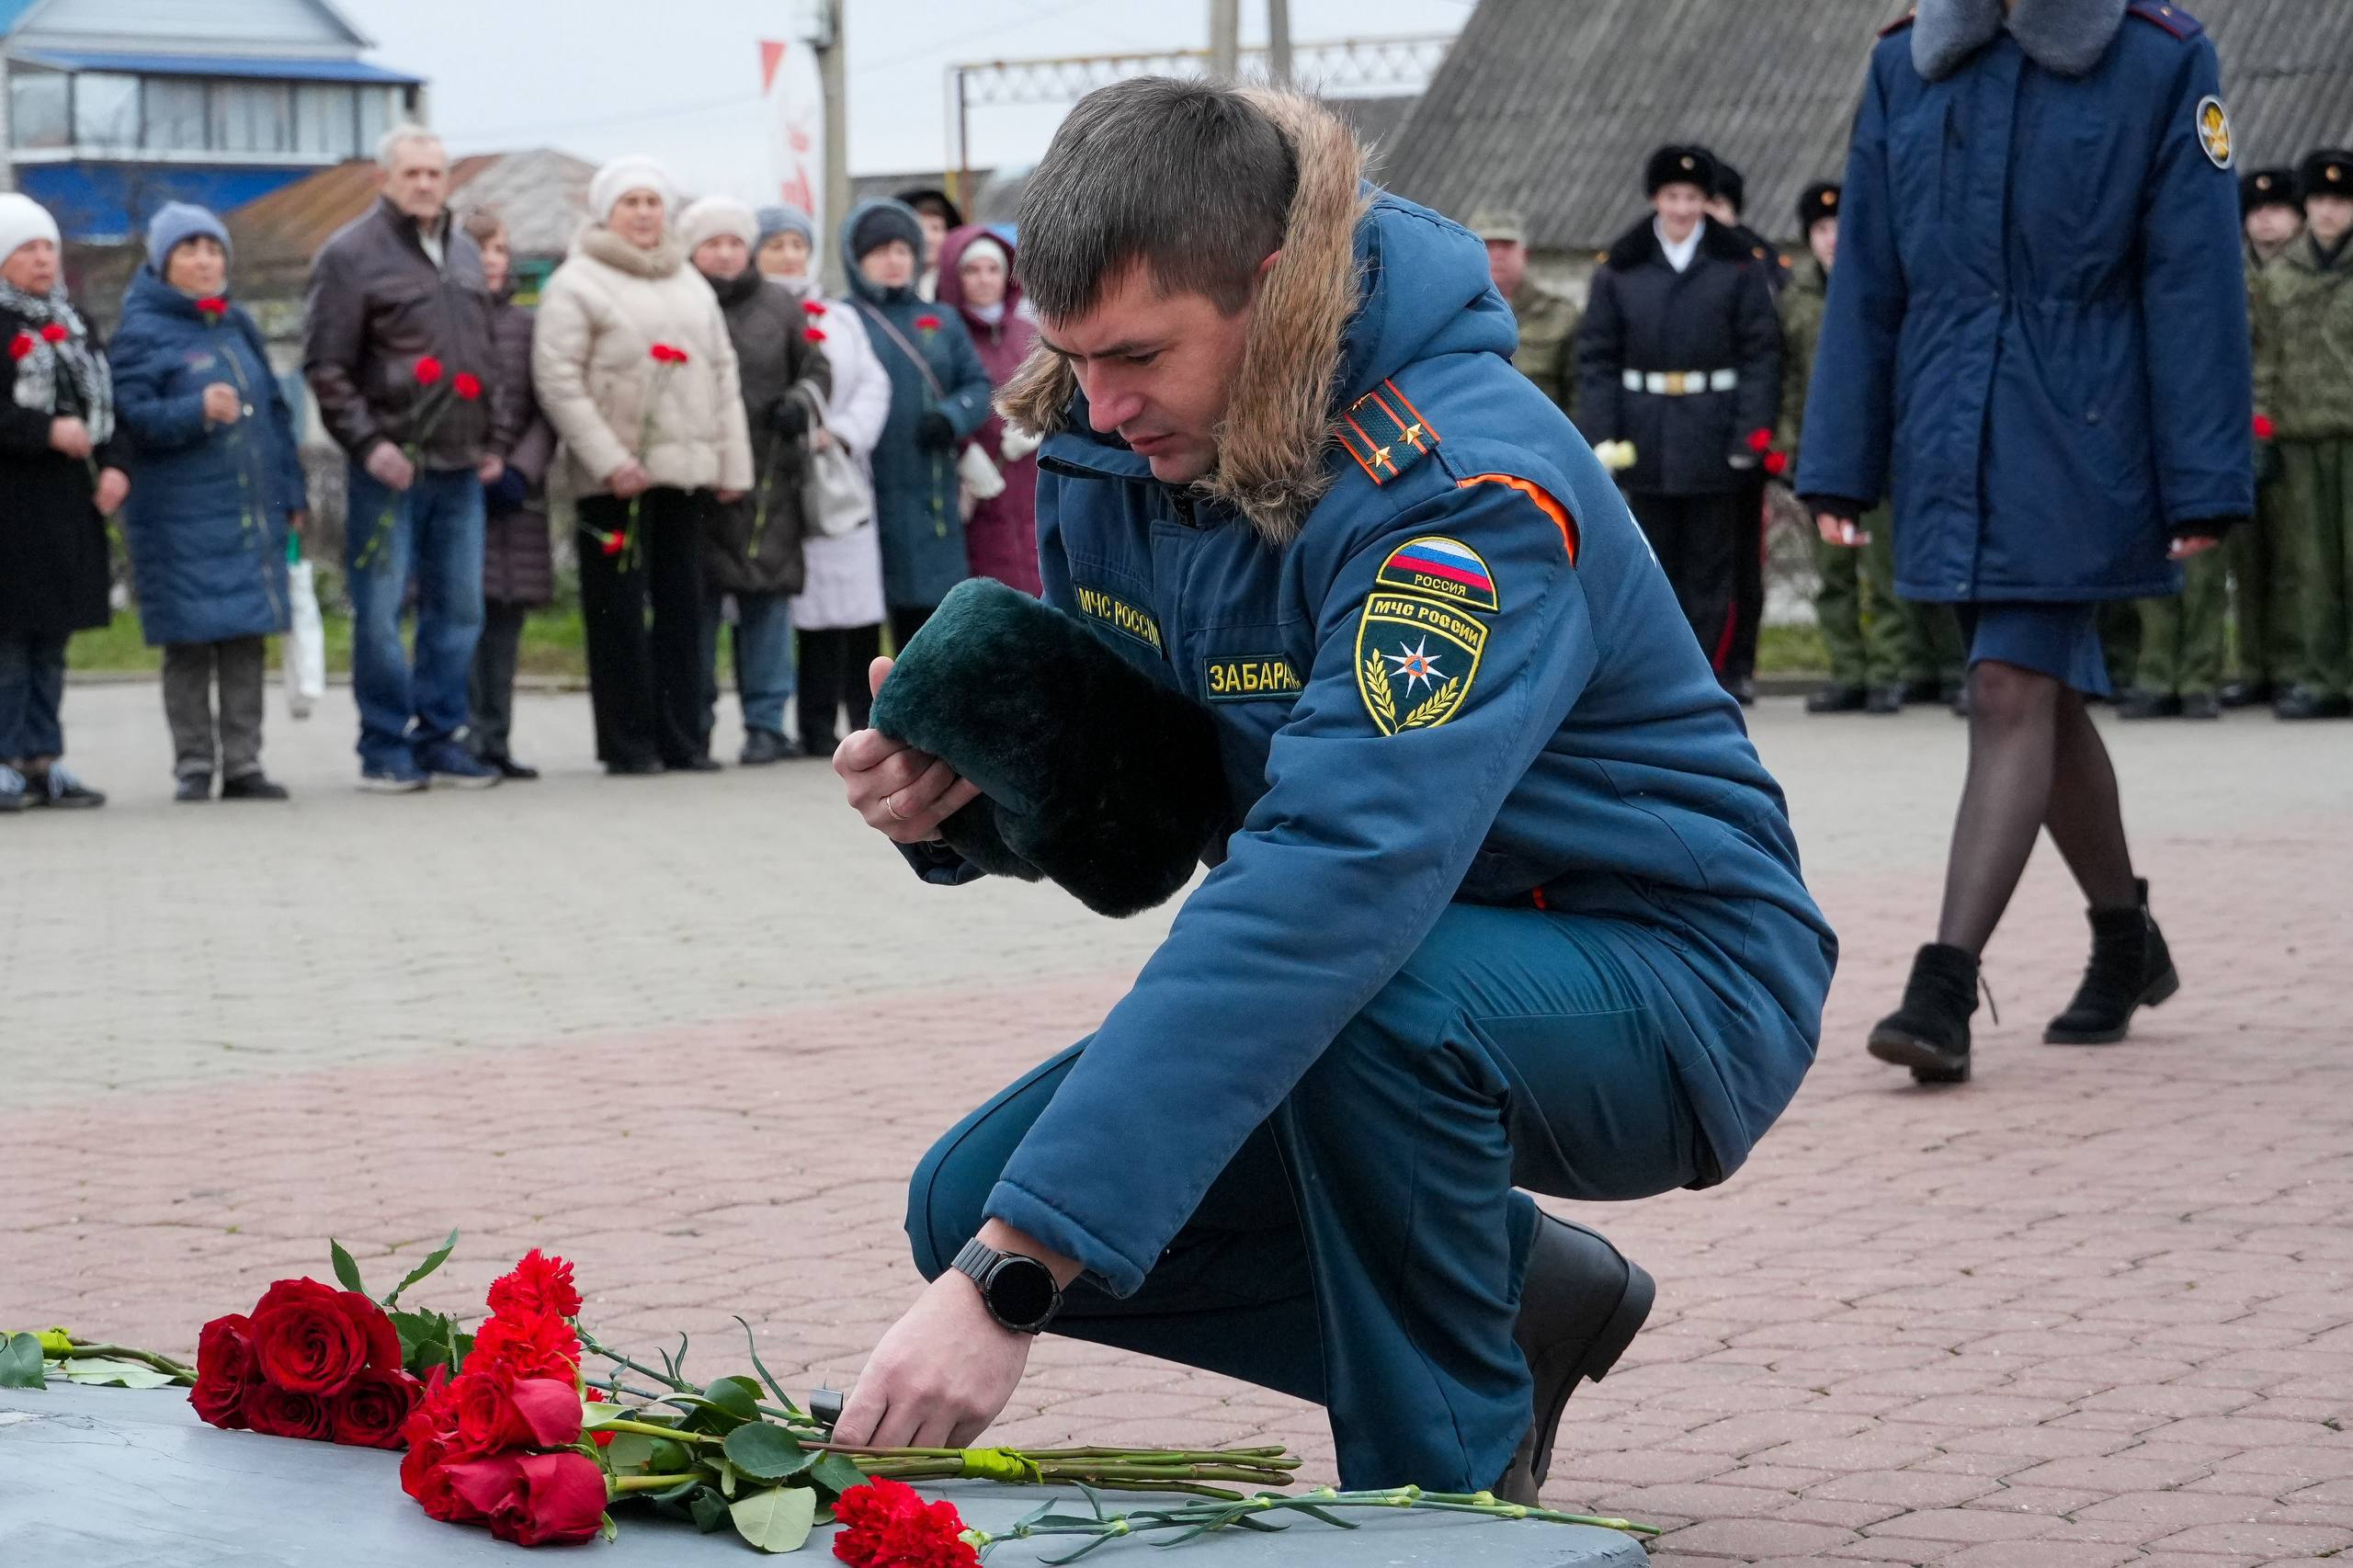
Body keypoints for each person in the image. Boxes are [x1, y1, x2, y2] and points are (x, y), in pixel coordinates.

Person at [829, 79, 1833, 1505]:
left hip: (1671, 972)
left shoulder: (1461, 486)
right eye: (1072, 357)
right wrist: (968, 796)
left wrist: (1018, 1279)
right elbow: (1173, 807)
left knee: (1339, 1032)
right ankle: (1517, 1304)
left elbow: (1330, 878)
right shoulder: (1120, 444)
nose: (1098, 407)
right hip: (1395, 964)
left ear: (1274, 286)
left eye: (1137, 355)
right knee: (962, 1198)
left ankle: (1442, 1509)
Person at [1802, 0, 2251, 1083]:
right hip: (1944, 430)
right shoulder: (1907, 61)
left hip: (2086, 430)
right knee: (2034, 691)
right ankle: (2125, 941)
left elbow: (2193, 279)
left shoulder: (2159, 55)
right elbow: (1866, 273)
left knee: (2006, 685)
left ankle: (1942, 986)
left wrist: (2202, 480)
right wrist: (1840, 459)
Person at [535, 156, 754, 775]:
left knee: (685, 610)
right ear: (606, 213)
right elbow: (557, 379)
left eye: (652, 202)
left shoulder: (689, 282)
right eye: (630, 202)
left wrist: (732, 466)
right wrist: (609, 461)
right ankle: (628, 745)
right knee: (618, 613)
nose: (643, 213)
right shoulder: (576, 282)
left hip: (685, 477)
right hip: (615, 484)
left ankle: (685, 740)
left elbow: (721, 374)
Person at [304, 125, 502, 792]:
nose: (425, 183)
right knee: (382, 612)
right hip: (387, 468)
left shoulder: (465, 252)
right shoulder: (350, 253)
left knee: (460, 610)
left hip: (460, 465)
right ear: (384, 178)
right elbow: (326, 366)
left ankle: (440, 738)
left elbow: (486, 354)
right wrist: (370, 444)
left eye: (435, 172)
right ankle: (383, 744)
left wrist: (493, 439)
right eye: (412, 172)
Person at [112, 202, 305, 802]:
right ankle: (194, 764)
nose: (205, 261)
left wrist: (291, 492)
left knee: (247, 638)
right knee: (191, 642)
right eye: (191, 250)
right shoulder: (140, 330)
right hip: (177, 517)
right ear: (164, 262)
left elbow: (275, 411)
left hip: (247, 511)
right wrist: (194, 413)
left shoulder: (236, 323)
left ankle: (244, 764)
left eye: (214, 249)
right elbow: (128, 420)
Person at [1575, 144, 1780, 687]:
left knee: (1713, 564)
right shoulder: (1621, 268)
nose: (1683, 208)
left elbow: (1762, 355)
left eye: (1692, 197)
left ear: (1706, 201)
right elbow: (1596, 359)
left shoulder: (1738, 265)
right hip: (1646, 436)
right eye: (1672, 196)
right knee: (1655, 560)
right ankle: (1658, 673)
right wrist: (1601, 435)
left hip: (1715, 435)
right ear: (1654, 199)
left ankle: (1708, 673)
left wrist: (1750, 435)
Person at [682, 196, 832, 764]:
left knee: (766, 601)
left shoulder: (780, 306)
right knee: (696, 606)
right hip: (697, 481)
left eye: (734, 242)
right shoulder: (679, 302)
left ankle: (766, 725)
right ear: (692, 250)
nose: (724, 253)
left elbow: (819, 367)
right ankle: (692, 723)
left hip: (770, 478)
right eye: (711, 243)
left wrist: (799, 402)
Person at [0, 191, 124, 812]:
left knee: (52, 641)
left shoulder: (73, 323)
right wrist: (41, 430)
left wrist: (117, 466)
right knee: (10, 643)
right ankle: (6, 759)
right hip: (11, 509)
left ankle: (45, 759)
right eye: (27, 248)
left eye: (49, 246)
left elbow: (106, 403)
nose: (42, 259)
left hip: (68, 507)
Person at [758, 204, 895, 754]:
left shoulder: (839, 317)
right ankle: (810, 724)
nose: (790, 255)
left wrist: (839, 432)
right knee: (803, 604)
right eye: (777, 245)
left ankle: (865, 719)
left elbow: (872, 383)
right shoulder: (756, 312)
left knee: (857, 600)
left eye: (797, 244)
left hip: (839, 473)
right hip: (779, 474)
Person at [839, 200, 993, 649]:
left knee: (931, 625)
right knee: (861, 624)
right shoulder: (844, 320)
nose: (894, 261)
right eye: (881, 251)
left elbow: (979, 385)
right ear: (857, 259)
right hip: (866, 490)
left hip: (931, 492)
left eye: (903, 250)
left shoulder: (942, 319)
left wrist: (952, 417)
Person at [2253, 150, 2353, 722]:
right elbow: (2264, 361)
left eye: (2339, 201)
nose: (2328, 213)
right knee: (2311, 569)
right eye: (2319, 201)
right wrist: (2262, 431)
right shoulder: (2280, 276)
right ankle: (2320, 677)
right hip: (2301, 435)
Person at [462, 207, 558, 780]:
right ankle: (459, 734)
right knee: (459, 619)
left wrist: (518, 468)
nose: (491, 260)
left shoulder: (529, 325)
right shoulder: (438, 318)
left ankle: (495, 737)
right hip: (457, 489)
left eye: (498, 248)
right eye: (478, 249)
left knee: (504, 624)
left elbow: (547, 406)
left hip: (514, 498)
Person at [2222, 166, 2306, 710]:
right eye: (2255, 211)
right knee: (2245, 559)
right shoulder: (2229, 273)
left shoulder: (2312, 274)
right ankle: (2251, 665)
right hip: (2240, 430)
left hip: (2303, 426)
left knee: (2298, 560)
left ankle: (2295, 665)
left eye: (2277, 210)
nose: (2266, 220)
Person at [937, 224, 1043, 597]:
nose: (984, 280)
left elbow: (1058, 388)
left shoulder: (1029, 332)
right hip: (978, 483)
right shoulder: (947, 336)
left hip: (1030, 478)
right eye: (972, 270)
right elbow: (939, 396)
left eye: (993, 269)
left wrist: (1039, 424)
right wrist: (965, 452)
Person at [1470, 207, 1577, 418]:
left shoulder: (1560, 314)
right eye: (1488, 245)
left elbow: (1579, 392)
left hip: (1541, 433)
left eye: (1507, 246)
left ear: (1524, 254)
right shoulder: (1451, 314)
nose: (1498, 255)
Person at [892, 187, 964, 301]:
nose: (927, 238)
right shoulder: (886, 289)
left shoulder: (964, 286)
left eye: (935, 228)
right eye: (918, 228)